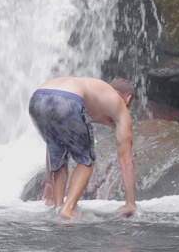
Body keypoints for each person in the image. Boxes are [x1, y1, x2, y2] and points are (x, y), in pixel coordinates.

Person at [28, 76, 137, 219]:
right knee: (87, 159)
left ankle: (58, 207)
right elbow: (127, 161)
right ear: (128, 99)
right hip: (67, 100)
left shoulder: (94, 89)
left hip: (37, 98)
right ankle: (68, 209)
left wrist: (49, 182)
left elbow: (53, 144)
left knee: (58, 148)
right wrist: (130, 204)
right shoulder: (119, 104)